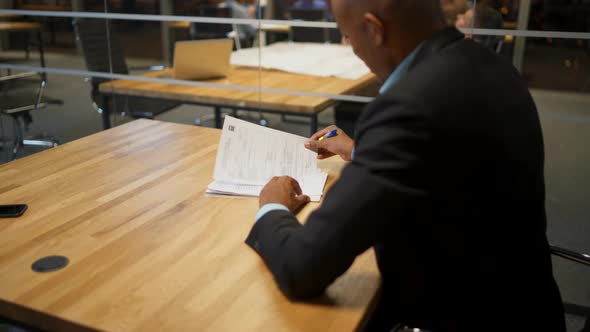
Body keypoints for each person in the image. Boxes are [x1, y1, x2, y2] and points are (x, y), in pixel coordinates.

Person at [245, 0, 566, 331]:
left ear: (374, 29)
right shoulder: (490, 65)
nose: (349, 46)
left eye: (347, 35)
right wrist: (363, 151)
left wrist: (272, 206)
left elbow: (303, 266)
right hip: (529, 308)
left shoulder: (410, 106)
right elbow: (450, 160)